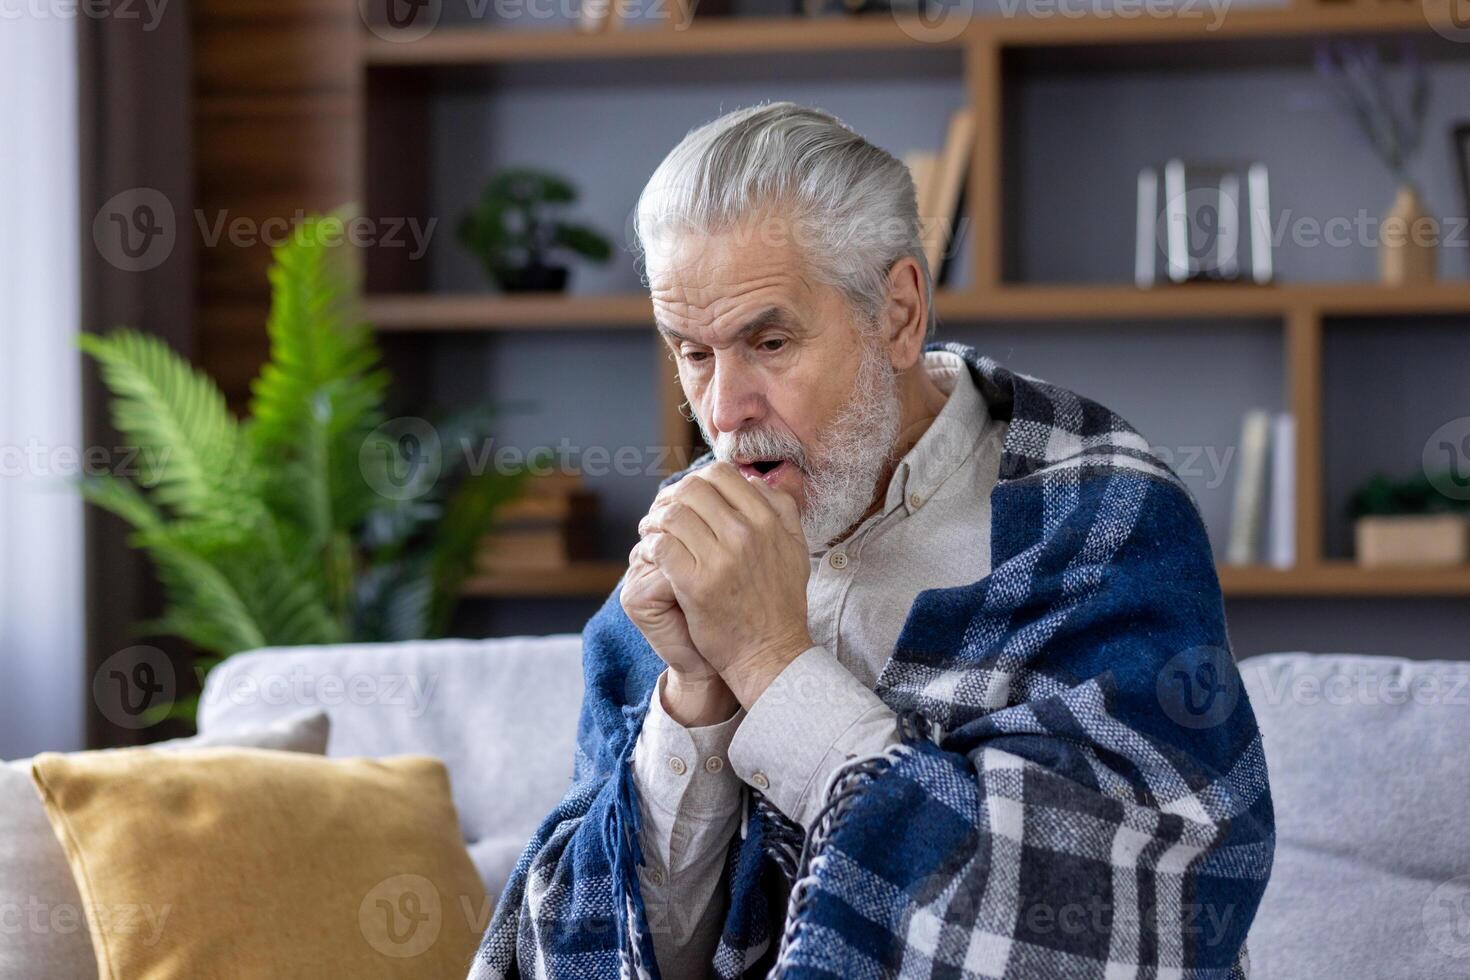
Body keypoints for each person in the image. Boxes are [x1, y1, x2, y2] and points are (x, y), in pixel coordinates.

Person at [469, 101, 1274, 980]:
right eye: (692, 355)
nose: (723, 413)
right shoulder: (682, 552)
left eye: (768, 341)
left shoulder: (1099, 517)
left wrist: (774, 666)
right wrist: (696, 696)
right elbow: (575, 955)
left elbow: (1157, 920)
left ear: (897, 313)